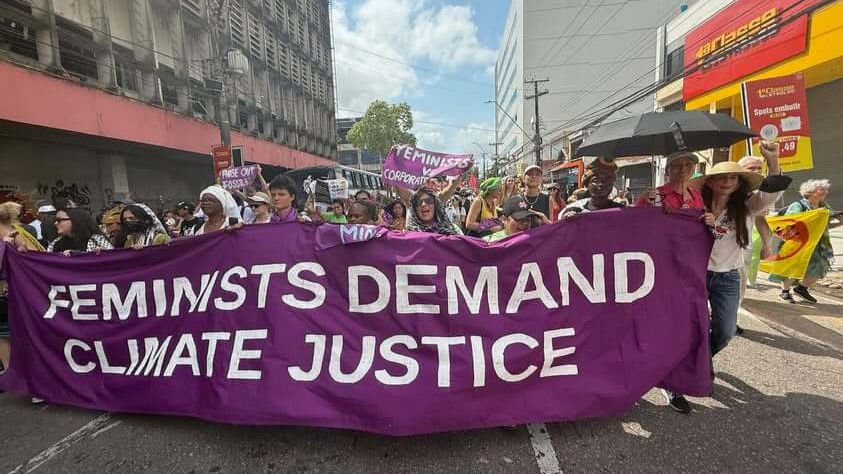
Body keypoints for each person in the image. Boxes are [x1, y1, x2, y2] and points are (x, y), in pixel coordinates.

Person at [678, 140, 785, 414]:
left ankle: (700, 363)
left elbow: (773, 190)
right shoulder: (695, 205)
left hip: (727, 277)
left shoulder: (748, 205)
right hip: (696, 276)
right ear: (711, 182)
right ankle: (680, 377)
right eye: (721, 177)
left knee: (724, 331)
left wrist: (773, 160)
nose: (727, 182)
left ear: (739, 182)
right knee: (690, 329)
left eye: (733, 177)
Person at [769, 179, 840, 303]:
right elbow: (792, 222)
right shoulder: (798, 206)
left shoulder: (824, 207)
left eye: (826, 189)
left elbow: (824, 227)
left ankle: (801, 289)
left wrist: (839, 223)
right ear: (810, 191)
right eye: (821, 189)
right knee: (794, 267)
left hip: (819, 245)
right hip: (799, 243)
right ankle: (784, 292)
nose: (825, 192)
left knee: (820, 267)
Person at [0, 202, 44, 376]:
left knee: (11, 333)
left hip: (15, 291)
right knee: (7, 332)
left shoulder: (15, 233)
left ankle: (13, 372)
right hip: (12, 292)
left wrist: (12, 247)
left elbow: (32, 255)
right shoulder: (14, 232)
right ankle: (11, 371)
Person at [559, 158, 625, 218]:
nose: (601, 184)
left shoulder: (621, 211)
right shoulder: (574, 209)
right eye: (596, 180)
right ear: (587, 185)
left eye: (607, 180)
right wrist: (566, 221)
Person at [637, 151, 704, 210]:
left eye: (688, 164)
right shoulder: (654, 196)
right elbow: (638, 220)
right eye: (677, 165)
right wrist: (644, 202)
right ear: (667, 171)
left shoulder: (697, 196)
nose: (683, 168)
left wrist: (710, 220)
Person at [47, 207, 114, 255]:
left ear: (75, 220)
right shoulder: (55, 244)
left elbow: (114, 258)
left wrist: (105, 254)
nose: (55, 223)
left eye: (59, 220)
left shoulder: (97, 240)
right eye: (55, 220)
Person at [485, 195, 549, 242]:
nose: (525, 223)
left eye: (527, 219)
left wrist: (547, 223)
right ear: (504, 219)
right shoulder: (490, 244)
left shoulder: (534, 239)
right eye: (519, 218)